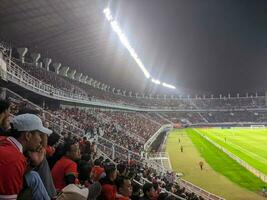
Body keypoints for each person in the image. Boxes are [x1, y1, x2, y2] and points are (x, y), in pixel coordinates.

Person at [0, 114, 52, 199]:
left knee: (33, 175)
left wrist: (33, 164)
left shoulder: (4, 140)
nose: (41, 139)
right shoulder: (14, 159)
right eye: (39, 135)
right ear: (28, 135)